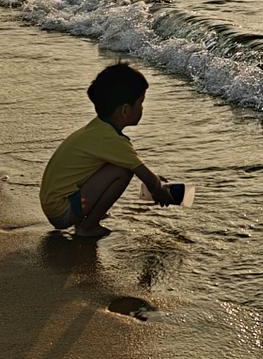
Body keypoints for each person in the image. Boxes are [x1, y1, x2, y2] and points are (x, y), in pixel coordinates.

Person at [40, 61, 173, 238]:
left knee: (119, 166)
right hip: (62, 210)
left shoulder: (98, 129)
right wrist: (159, 189)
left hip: (55, 203)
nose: (142, 108)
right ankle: (88, 226)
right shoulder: (113, 140)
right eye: (140, 103)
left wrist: (154, 181)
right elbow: (145, 175)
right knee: (123, 170)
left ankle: (86, 217)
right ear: (125, 110)